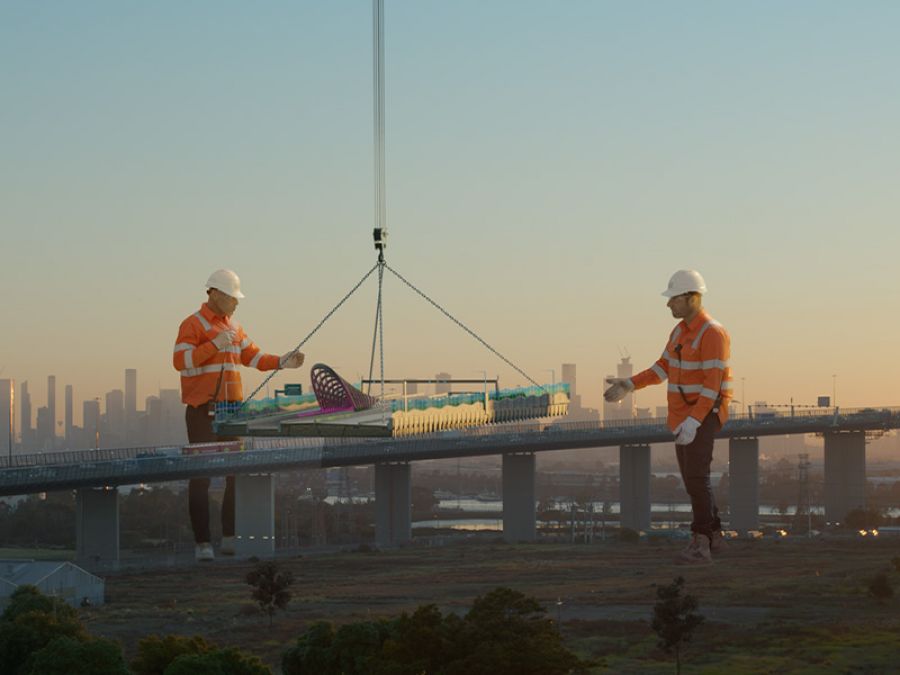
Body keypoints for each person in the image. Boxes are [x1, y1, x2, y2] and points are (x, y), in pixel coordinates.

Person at [173, 268, 305, 561]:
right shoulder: (192, 325)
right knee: (201, 478)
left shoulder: (235, 328)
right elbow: (181, 361)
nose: (236, 303)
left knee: (236, 473)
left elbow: (254, 357)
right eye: (233, 297)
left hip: (232, 411)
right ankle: (203, 543)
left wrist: (282, 362)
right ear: (216, 294)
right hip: (202, 412)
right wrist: (213, 345)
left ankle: (229, 537)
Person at [604, 269, 732, 564]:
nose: (668, 304)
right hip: (683, 417)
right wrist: (630, 384)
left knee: (697, 479)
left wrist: (695, 421)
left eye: (673, 298)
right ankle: (716, 538)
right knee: (692, 481)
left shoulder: (712, 333)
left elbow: (713, 385)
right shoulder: (679, 332)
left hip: (702, 416)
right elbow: (662, 368)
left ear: (691, 298)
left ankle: (701, 543)